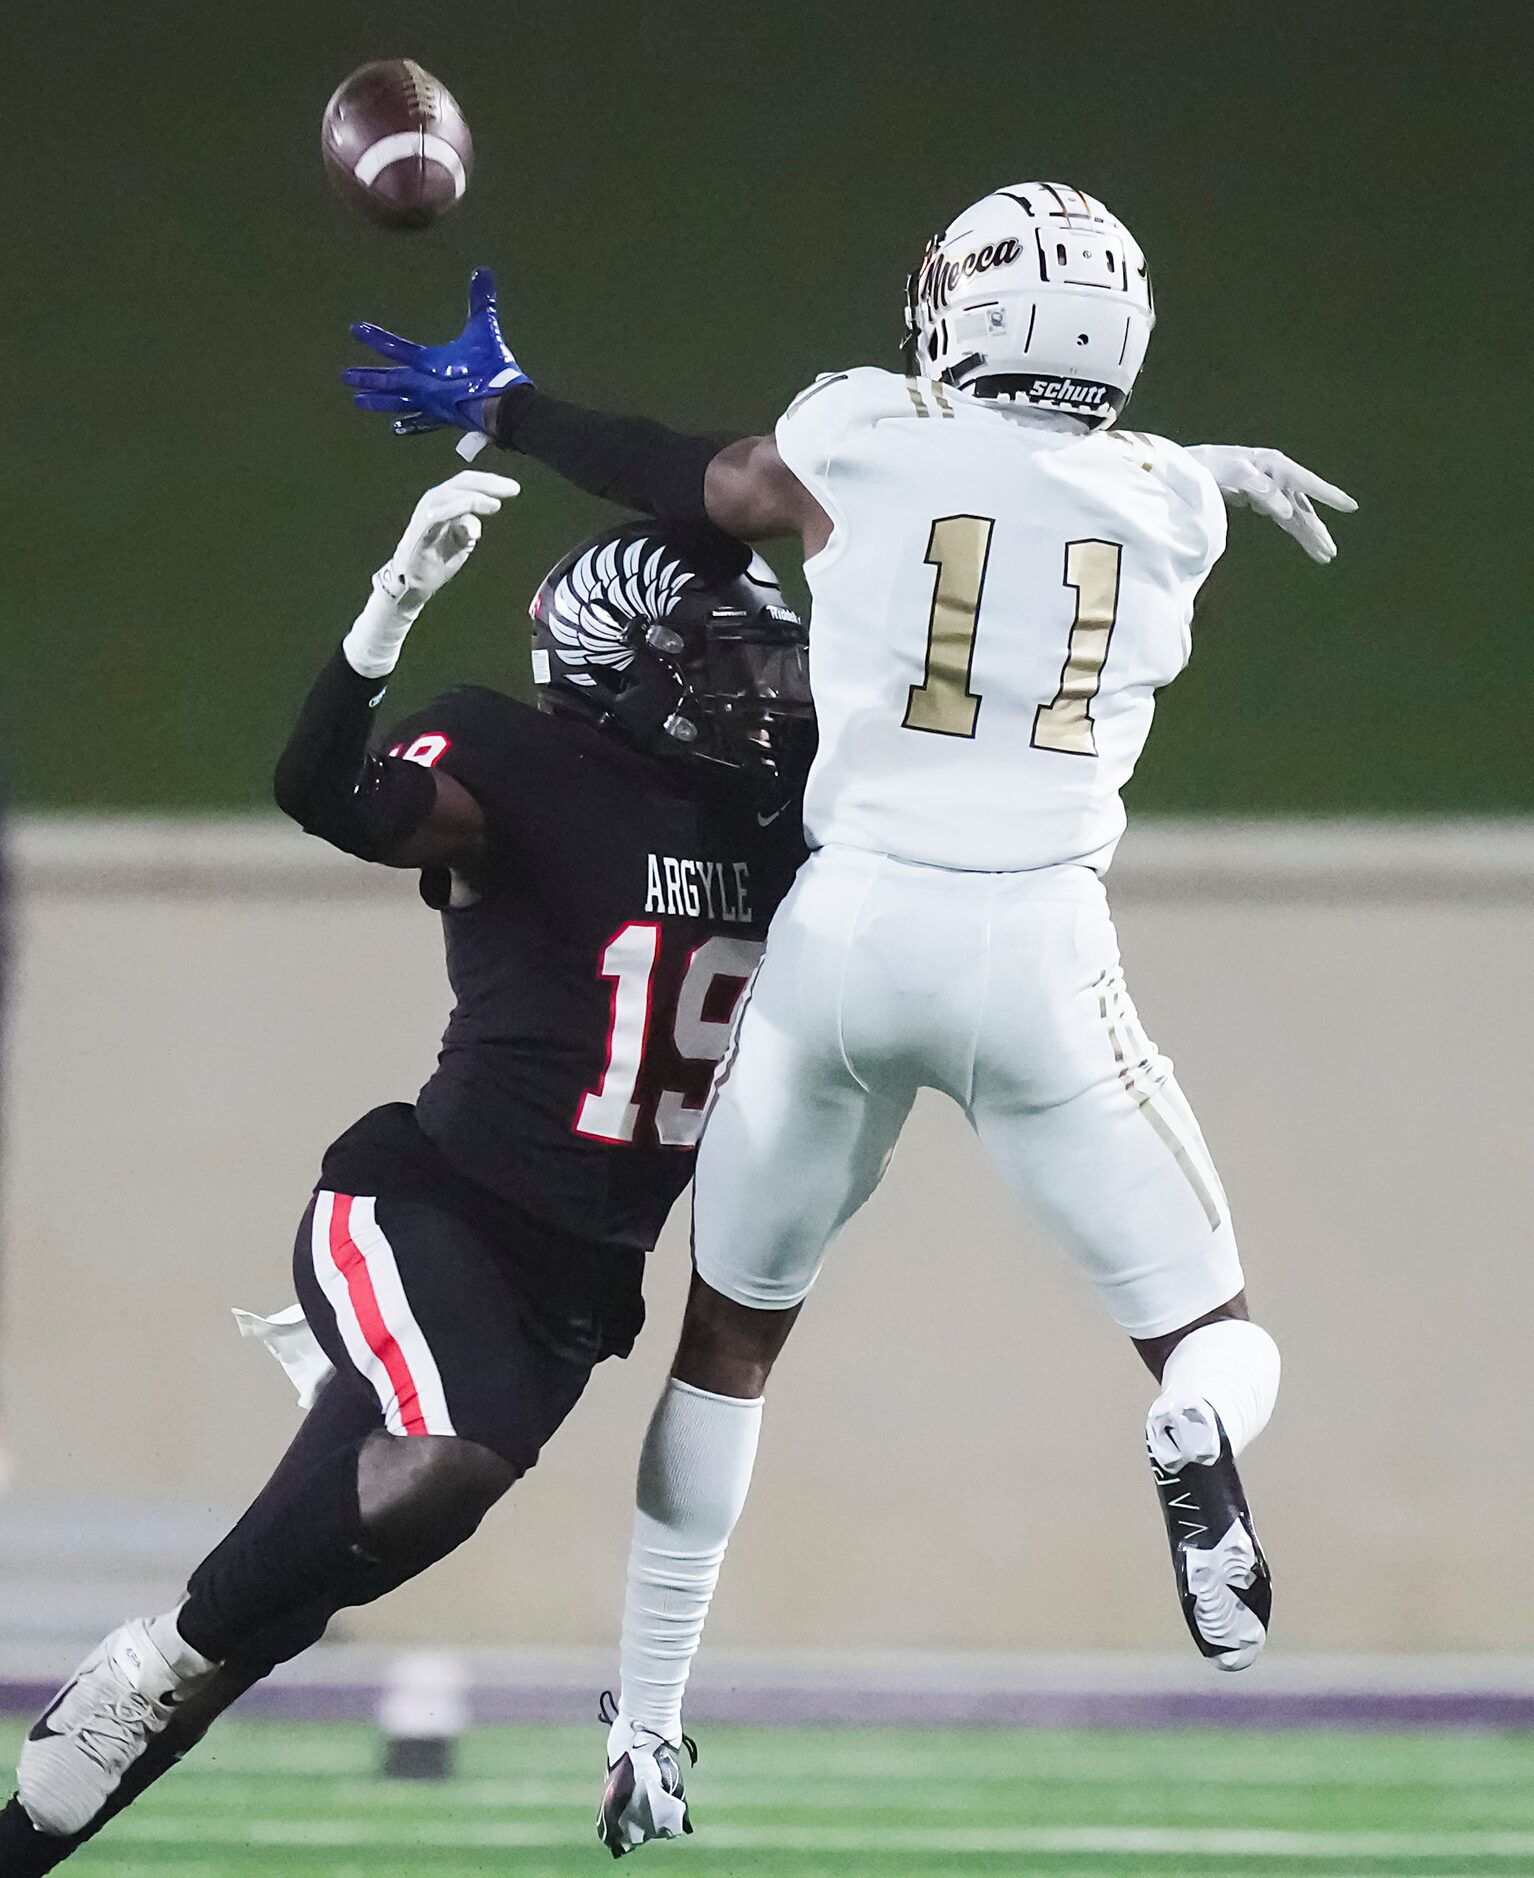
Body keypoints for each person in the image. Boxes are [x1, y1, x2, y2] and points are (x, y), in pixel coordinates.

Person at [339, 180, 1358, 1855]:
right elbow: (1116, 485)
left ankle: (649, 1722)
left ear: (966, 311)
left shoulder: (868, 430)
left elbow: (703, 483)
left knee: (729, 1343)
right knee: (1212, 1330)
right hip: (1037, 946)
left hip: (847, 930)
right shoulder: (1174, 504)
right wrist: (1209, 471)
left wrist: (509, 410)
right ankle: (1188, 1427)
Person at [0, 473, 812, 1871]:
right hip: (428, 1207)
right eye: (724, 664)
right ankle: (149, 1652)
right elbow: (326, 790)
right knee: (438, 1461)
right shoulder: (516, 753)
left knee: (271, 1621)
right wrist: (391, 602)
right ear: (621, 667)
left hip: (574, 1291)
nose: (763, 695)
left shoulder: (785, 818)